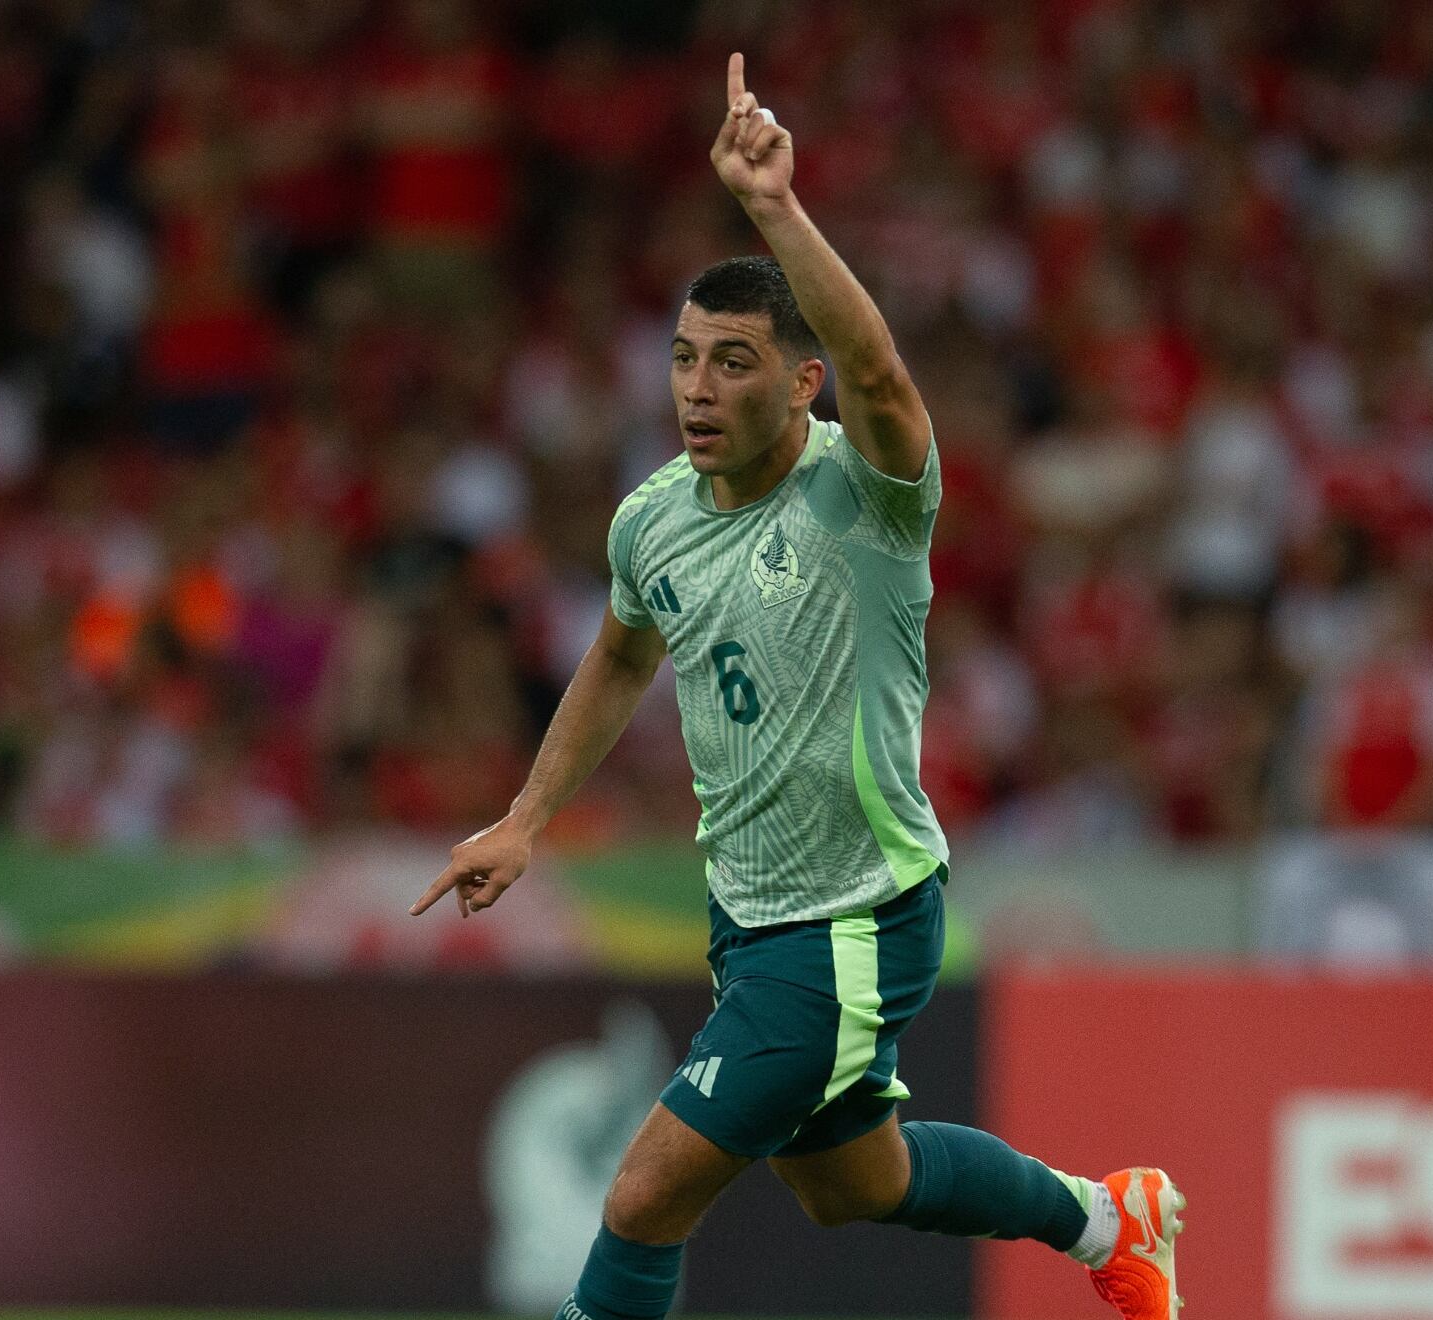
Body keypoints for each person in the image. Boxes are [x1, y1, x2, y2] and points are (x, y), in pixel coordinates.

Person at [411, 54, 1184, 1320]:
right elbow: (618, 655)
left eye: (730, 363)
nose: (696, 392)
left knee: (641, 1197)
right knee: (855, 1187)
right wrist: (528, 815)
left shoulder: (865, 502)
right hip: (749, 917)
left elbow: (884, 379)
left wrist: (773, 207)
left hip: (852, 919)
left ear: (798, 380)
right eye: (681, 361)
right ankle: (1108, 1218)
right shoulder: (650, 520)